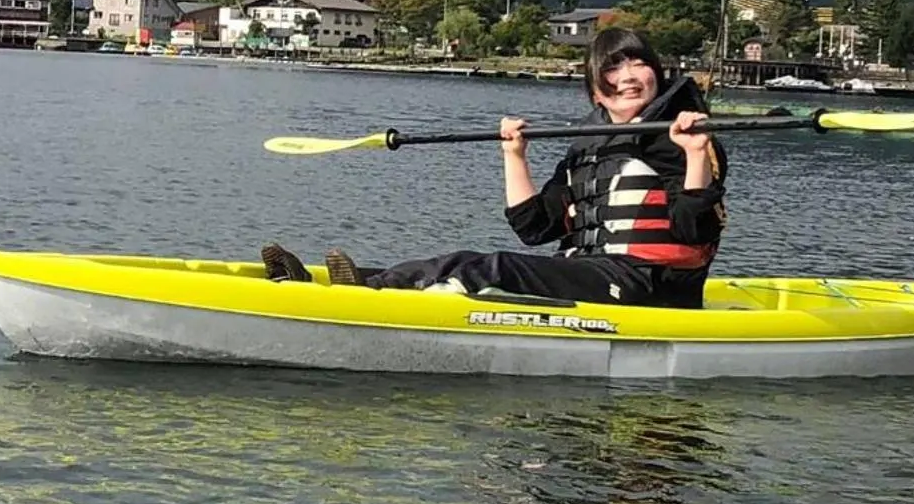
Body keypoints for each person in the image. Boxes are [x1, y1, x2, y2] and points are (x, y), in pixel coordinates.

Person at [264, 27, 727, 308]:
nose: (628, 76)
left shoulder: (685, 141)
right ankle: (347, 285)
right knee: (458, 261)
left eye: (639, 64)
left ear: (657, 73)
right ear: (595, 92)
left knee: (496, 267)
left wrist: (693, 153)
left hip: (650, 287)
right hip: (593, 273)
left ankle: (362, 300)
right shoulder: (589, 146)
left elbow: (693, 231)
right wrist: (514, 156)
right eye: (613, 68)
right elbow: (534, 228)